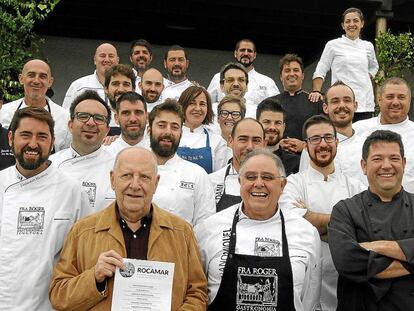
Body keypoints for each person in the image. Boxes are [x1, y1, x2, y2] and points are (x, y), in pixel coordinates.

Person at [49, 147, 208, 310]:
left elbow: (197, 293)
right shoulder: (82, 232)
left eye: (145, 177)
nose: (135, 185)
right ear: (112, 179)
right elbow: (59, 296)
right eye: (127, 175)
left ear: (156, 183)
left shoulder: (182, 233)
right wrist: (94, 277)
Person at [195, 149, 321, 310]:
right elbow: (196, 293)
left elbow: (310, 301)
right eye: (251, 177)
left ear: (283, 185)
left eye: (268, 177)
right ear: (240, 182)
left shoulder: (306, 233)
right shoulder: (209, 228)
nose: (259, 183)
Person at [0, 107, 85, 310]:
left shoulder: (72, 191)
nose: (33, 144)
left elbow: (81, 256)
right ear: (11, 138)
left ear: (52, 141)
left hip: (45, 304)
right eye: (26, 135)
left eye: (42, 136)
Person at [279, 115, 365, 310]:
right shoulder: (292, 184)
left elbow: (366, 229)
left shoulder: (356, 187)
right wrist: (347, 228)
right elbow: (295, 226)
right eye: (315, 139)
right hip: (308, 281)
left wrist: (311, 218)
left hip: (347, 281)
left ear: (336, 142)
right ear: (306, 145)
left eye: (328, 137)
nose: (322, 144)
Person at [329, 130, 414, 310]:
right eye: (377, 159)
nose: (386, 166)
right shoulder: (345, 210)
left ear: (404, 163)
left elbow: (357, 259)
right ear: (364, 165)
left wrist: (373, 247)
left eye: (394, 158)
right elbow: (347, 261)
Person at [148, 99, 215, 226]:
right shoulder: (135, 170)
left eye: (174, 127)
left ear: (181, 133)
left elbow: (204, 226)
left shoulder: (197, 175)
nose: (168, 132)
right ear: (149, 129)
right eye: (161, 125)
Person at [50, 90, 115, 213]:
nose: (91, 123)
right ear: (70, 125)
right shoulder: (51, 165)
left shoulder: (118, 167)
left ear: (107, 129)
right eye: (83, 116)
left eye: (99, 118)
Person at [310, 8, 379, 122]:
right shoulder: (332, 45)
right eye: (348, 21)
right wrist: (316, 91)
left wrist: (368, 76)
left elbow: (374, 66)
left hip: (364, 101)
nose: (351, 24)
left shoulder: (368, 46)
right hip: (340, 102)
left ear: (362, 24)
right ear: (343, 25)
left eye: (355, 21)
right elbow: (321, 69)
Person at [352, 77, 414, 192]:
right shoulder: (357, 130)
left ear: (409, 100)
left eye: (401, 97)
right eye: (390, 97)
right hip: (359, 206)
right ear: (379, 99)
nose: (395, 102)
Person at [299, 81, 367, 184]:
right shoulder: (313, 146)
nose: (342, 105)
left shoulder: (367, 145)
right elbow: (304, 184)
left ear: (355, 106)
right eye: (335, 101)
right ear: (325, 108)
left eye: (347, 100)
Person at [0, 59, 71, 151]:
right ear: (21, 79)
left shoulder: (64, 118)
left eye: (42, 76)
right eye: (31, 75)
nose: (36, 81)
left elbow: (67, 155)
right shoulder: (3, 112)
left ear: (50, 82)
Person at [268, 54, 324, 154]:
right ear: (281, 77)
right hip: (276, 158)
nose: (292, 74)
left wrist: (304, 146)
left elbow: (325, 134)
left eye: (296, 70)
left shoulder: (316, 102)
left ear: (302, 75)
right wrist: (277, 144)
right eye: (287, 70)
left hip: (308, 159)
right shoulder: (269, 104)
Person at [209, 118, 266, 212]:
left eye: (256, 140)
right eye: (243, 139)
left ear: (264, 144)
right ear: (231, 141)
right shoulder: (212, 182)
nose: (250, 147)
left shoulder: (274, 183)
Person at [208, 39, 279, 105]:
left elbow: (276, 108)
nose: (245, 53)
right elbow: (208, 104)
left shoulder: (267, 82)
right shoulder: (218, 77)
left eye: (249, 51)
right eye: (242, 50)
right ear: (235, 53)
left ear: (254, 55)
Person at [177, 85, 228, 173]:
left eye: (202, 104)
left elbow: (218, 177)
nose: (197, 108)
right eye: (192, 103)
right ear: (182, 107)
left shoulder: (217, 141)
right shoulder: (171, 136)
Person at [63, 43, 119, 109]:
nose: (106, 60)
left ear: (117, 60)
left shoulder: (126, 87)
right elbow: (66, 116)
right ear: (95, 60)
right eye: (102, 56)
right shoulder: (78, 86)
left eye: (111, 56)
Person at [256, 97, 300, 176]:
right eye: (267, 122)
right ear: (257, 124)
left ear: (283, 127)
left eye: (277, 123)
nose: (272, 127)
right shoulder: (246, 158)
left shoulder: (296, 163)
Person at [103, 64, 136, 135]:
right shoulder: (98, 117)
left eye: (126, 84)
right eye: (115, 84)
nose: (121, 89)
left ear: (133, 90)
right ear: (106, 89)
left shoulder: (141, 117)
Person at [214, 94, 246, 160]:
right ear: (218, 118)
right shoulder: (212, 145)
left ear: (242, 119)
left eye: (235, 114)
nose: (229, 118)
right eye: (225, 113)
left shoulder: (248, 147)